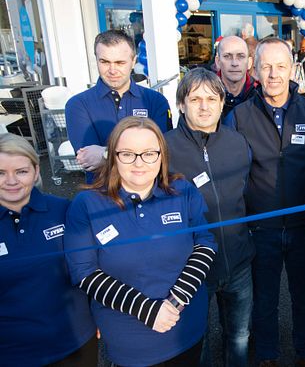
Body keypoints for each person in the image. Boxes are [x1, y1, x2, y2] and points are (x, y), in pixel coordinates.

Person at [64, 116, 216, 367]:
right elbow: (83, 272)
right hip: (130, 344)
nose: (139, 163)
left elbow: (205, 243)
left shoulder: (182, 190)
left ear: (161, 156)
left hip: (185, 329)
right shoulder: (87, 204)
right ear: (113, 156)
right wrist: (147, 310)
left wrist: (176, 301)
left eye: (149, 153)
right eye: (127, 154)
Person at [225, 37, 305, 367]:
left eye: (281, 66)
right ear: (255, 69)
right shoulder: (239, 117)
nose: (274, 74)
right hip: (261, 228)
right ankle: (267, 354)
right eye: (266, 66)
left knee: (304, 297)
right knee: (264, 299)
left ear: (292, 68)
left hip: (304, 229)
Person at [164, 68, 254, 367]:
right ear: (181, 104)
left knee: (238, 337)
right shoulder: (164, 149)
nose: (204, 106)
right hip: (190, 269)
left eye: (212, 99)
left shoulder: (238, 143)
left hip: (238, 262)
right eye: (195, 99)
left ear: (221, 102)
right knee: (196, 341)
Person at [0, 133, 97, 366]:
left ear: (35, 171)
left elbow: (91, 265)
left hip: (75, 343)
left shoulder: (64, 210)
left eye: (21, 171)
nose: (11, 181)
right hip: (13, 353)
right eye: (1, 173)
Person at [65, 29, 171, 183]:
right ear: (96, 60)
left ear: (133, 61)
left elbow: (159, 153)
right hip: (102, 196)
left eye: (120, 62)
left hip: (150, 196)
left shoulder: (155, 101)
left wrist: (104, 154)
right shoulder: (77, 105)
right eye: (105, 62)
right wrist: (140, 154)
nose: (112, 70)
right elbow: (89, 160)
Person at [215, 35, 259, 119]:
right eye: (227, 56)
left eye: (241, 56)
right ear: (218, 62)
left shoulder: (260, 95)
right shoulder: (205, 94)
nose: (234, 63)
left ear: (249, 62)